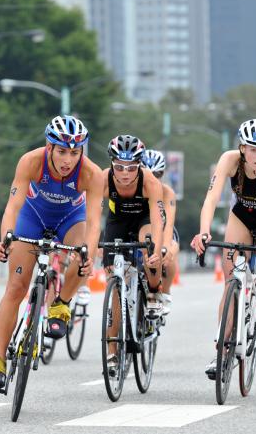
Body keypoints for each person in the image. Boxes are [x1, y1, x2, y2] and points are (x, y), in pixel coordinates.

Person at [0, 115, 103, 391]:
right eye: (62, 151)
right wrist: (6, 239)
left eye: (75, 153)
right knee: (15, 287)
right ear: (49, 147)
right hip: (32, 217)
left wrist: (90, 256)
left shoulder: (91, 174)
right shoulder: (31, 161)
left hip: (70, 219)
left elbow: (95, 223)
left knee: (82, 251)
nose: (67, 160)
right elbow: (12, 207)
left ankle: (61, 303)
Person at [190, 119, 256, 378]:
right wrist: (204, 231)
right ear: (242, 148)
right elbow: (211, 198)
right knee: (231, 280)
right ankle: (220, 350)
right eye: (254, 149)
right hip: (240, 216)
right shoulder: (229, 160)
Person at [102, 135, 164, 374]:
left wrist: (156, 250)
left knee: (148, 246)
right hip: (117, 220)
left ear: (140, 165)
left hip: (144, 218)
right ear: (111, 164)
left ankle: (154, 294)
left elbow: (158, 219)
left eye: (131, 167)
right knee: (114, 283)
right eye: (119, 167)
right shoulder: (104, 179)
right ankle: (112, 352)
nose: (125, 173)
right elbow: (92, 215)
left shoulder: (150, 182)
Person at [142, 149, 179, 315]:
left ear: (162, 174)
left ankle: (165, 291)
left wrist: (165, 247)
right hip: (143, 229)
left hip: (163, 229)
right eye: (146, 173)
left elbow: (169, 224)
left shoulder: (167, 192)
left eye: (156, 174)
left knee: (168, 252)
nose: (151, 179)